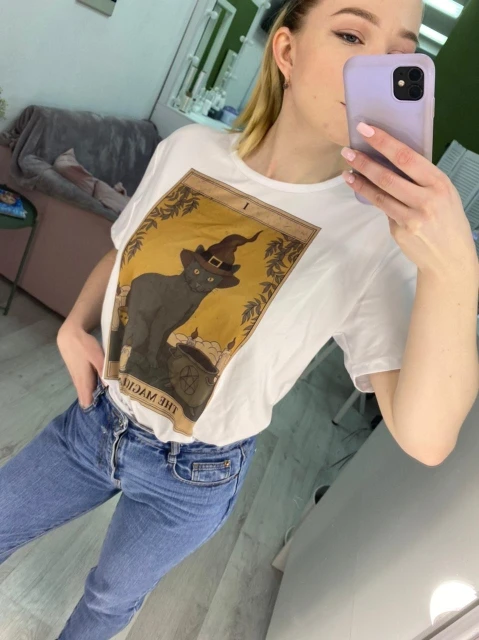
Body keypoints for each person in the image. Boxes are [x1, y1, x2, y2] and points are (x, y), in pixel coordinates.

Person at [1, 0, 477, 638]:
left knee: (110, 601)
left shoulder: (375, 233)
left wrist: (454, 270)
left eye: (400, 53)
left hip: (192, 475)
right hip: (94, 422)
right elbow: (125, 249)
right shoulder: (188, 149)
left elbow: (427, 438)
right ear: (287, 51)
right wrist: (72, 325)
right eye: (350, 33)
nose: (376, 67)